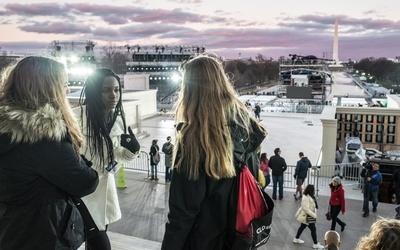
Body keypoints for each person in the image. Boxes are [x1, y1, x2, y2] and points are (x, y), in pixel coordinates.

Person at [161, 54, 267, 249]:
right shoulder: (246, 125)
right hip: (240, 237)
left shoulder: (194, 140)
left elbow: (183, 213)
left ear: (190, 90)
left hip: (205, 241)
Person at [0, 56, 99, 249]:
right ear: (47, 90)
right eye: (64, 85)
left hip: (12, 231)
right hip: (43, 236)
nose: (68, 90)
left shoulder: (8, 129)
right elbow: (86, 182)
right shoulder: (42, 137)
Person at [74, 68, 140, 250]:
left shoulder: (119, 118)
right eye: (106, 90)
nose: (113, 95)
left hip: (105, 193)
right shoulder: (76, 117)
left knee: (94, 243)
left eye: (117, 90)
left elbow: (116, 157)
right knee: (100, 245)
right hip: (82, 194)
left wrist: (131, 151)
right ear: (96, 91)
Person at [293, 184, 324, 249]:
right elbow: (306, 209)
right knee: (313, 229)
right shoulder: (306, 198)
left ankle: (296, 238)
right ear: (311, 190)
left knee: (302, 227)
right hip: (307, 217)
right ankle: (315, 244)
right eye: (313, 190)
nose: (314, 191)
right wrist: (314, 215)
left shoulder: (310, 196)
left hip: (307, 216)